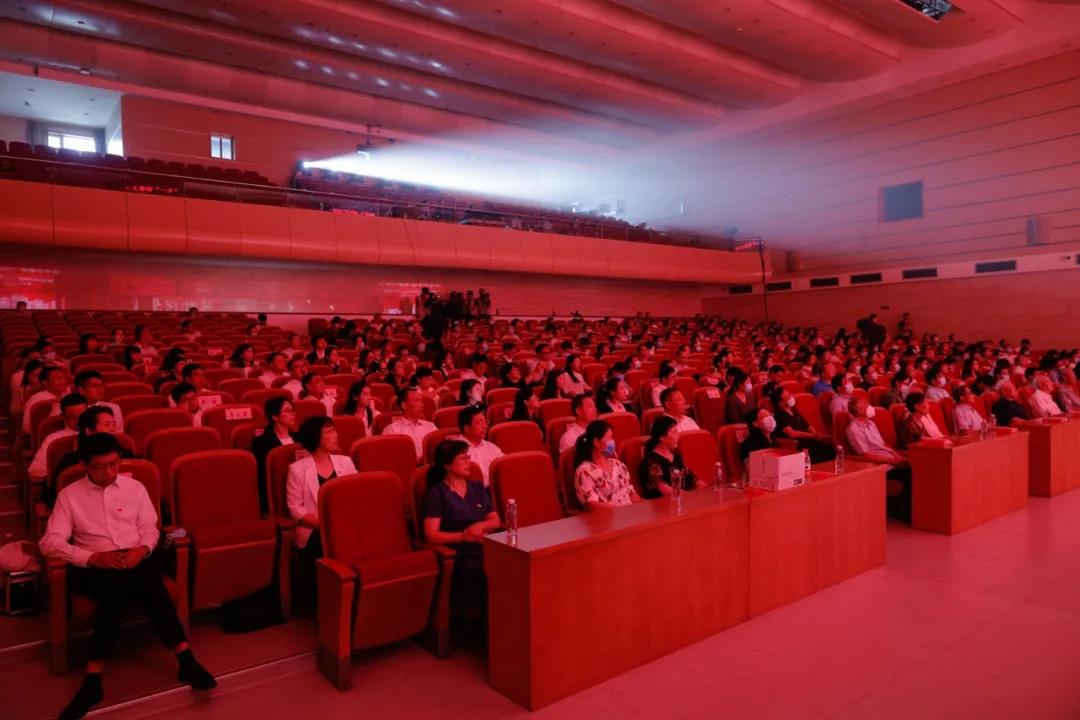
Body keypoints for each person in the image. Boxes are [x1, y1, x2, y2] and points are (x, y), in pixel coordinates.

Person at [40, 433, 216, 719]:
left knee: (132, 580)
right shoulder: (69, 495)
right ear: (84, 465)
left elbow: (150, 528)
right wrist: (92, 557)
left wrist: (142, 549)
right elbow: (49, 542)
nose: (109, 472)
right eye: (100, 467)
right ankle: (185, 658)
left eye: (114, 464)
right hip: (94, 565)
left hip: (135, 557)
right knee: (134, 582)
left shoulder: (135, 488)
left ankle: (93, 678)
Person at [422, 439, 501, 618]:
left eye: (468, 457)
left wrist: (480, 525)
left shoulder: (476, 487)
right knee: (483, 569)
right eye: (462, 458)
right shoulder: (437, 493)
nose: (469, 462)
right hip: (459, 548)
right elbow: (431, 535)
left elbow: (495, 520)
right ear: (447, 465)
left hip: (483, 541)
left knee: (510, 561)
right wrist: (465, 536)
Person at [286, 417, 357, 608]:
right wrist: (325, 525)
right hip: (314, 528)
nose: (336, 435)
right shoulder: (297, 469)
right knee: (324, 543)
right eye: (329, 432)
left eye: (334, 430)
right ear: (315, 438)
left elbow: (356, 495)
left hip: (345, 523)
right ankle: (327, 601)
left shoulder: (346, 462)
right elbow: (295, 509)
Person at [573, 420, 639, 510]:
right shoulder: (585, 471)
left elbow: (631, 493)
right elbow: (593, 505)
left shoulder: (618, 465)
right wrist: (622, 512)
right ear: (596, 442)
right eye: (610, 438)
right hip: (608, 516)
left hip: (630, 513)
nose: (613, 442)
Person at [250, 397, 298, 514]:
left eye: (293, 410)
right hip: (278, 490)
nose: (293, 414)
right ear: (275, 417)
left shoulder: (300, 438)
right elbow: (263, 477)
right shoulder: (261, 442)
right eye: (287, 411)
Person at [639, 415, 703, 499]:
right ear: (662, 437)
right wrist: (691, 497)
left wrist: (701, 485)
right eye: (674, 432)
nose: (678, 436)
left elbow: (692, 479)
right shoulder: (651, 461)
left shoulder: (677, 457)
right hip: (663, 504)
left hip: (684, 500)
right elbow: (666, 490)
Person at [28, 393, 86, 483]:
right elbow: (35, 470)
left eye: (83, 416)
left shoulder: (99, 433)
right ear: (63, 417)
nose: (79, 420)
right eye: (72, 417)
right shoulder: (53, 439)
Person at [770, 388, 834, 463]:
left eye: (790, 395)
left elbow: (808, 426)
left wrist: (816, 434)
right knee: (823, 452)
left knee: (829, 448)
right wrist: (813, 436)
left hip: (809, 440)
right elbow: (792, 433)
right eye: (787, 397)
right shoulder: (779, 416)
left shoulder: (794, 411)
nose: (791, 398)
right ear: (780, 403)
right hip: (798, 445)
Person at [452, 406, 503, 487]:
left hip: (492, 490)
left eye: (485, 422)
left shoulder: (491, 447)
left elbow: (504, 469)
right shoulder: (454, 449)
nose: (485, 427)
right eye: (479, 423)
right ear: (466, 428)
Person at [383, 387, 438, 460]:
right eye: (417, 401)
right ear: (404, 405)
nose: (422, 405)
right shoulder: (392, 431)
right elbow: (391, 459)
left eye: (421, 401)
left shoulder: (431, 426)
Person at [22, 365, 70, 433]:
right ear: (46, 383)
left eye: (64, 378)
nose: (64, 381)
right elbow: (27, 426)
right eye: (59, 379)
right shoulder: (37, 399)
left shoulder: (68, 393)